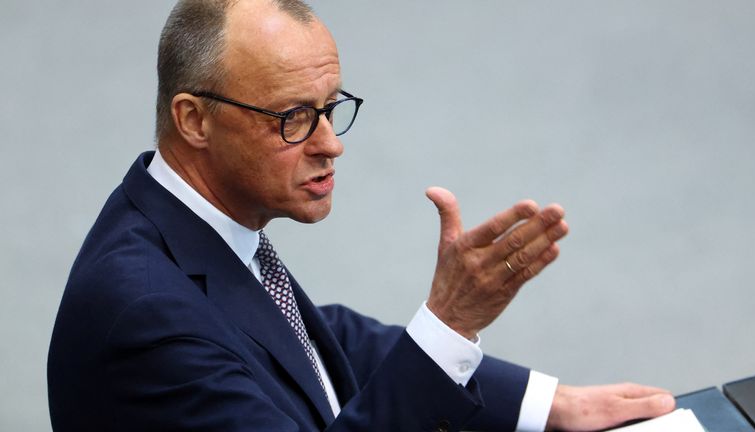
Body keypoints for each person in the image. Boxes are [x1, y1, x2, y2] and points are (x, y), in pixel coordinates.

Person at [47, 0, 676, 430]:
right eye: (292, 117)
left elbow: (316, 343)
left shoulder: (194, 231)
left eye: (330, 106)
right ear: (194, 120)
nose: (330, 142)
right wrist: (450, 321)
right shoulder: (143, 316)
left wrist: (544, 404)